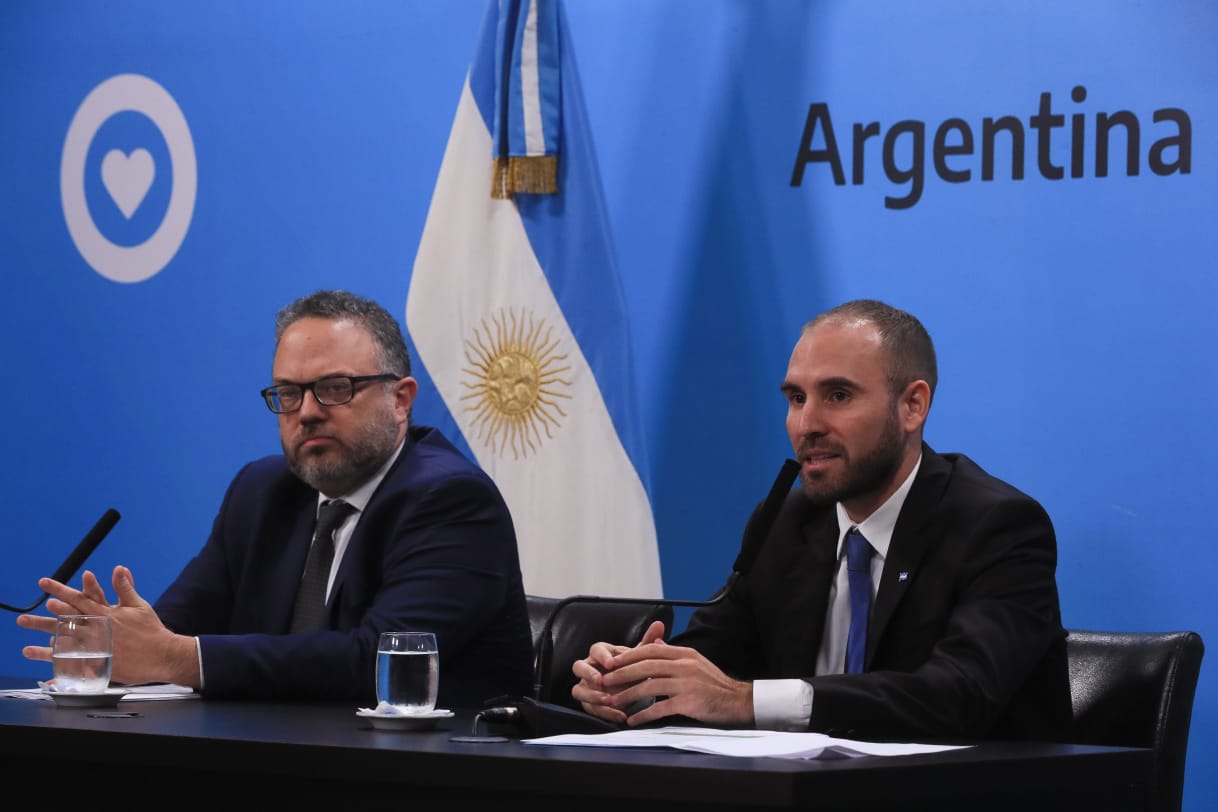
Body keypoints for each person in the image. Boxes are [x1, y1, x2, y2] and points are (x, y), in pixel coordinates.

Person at [571, 299, 1072, 741]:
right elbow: (714, 658)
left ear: (912, 405)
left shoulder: (996, 526)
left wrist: (745, 700)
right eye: (796, 398)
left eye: (838, 396)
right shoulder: (787, 523)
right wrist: (633, 682)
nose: (807, 424)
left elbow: (959, 696)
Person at [18, 289, 534, 708]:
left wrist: (175, 658)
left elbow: (377, 663)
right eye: (288, 393)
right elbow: (177, 627)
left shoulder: (450, 500)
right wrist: (116, 643)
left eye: (335, 388)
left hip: (432, 776)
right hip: (276, 763)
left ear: (400, 400)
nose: (306, 412)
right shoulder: (262, 492)